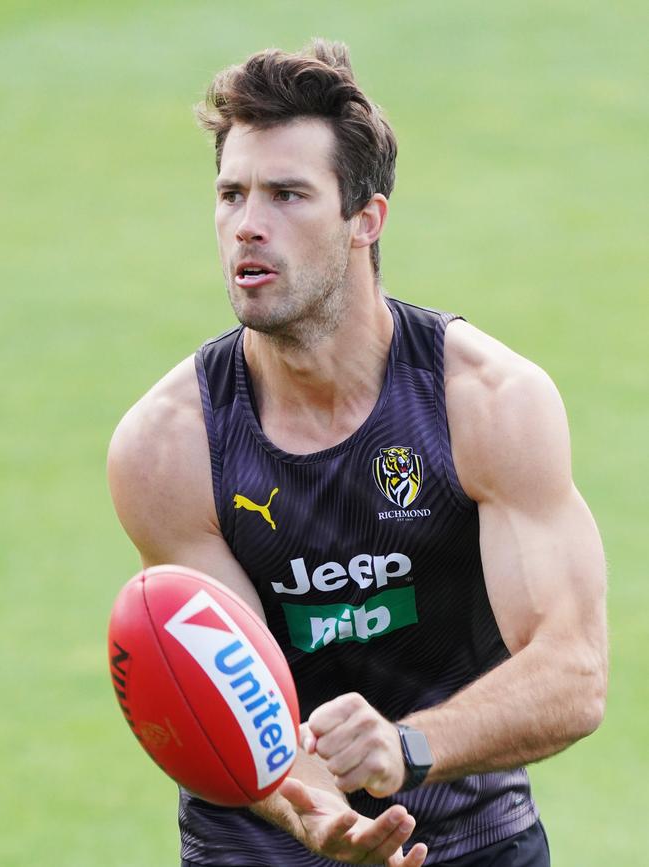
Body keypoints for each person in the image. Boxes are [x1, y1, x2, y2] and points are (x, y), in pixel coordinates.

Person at [108, 39, 607, 867]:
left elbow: (574, 671)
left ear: (365, 220)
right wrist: (324, 819)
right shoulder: (168, 446)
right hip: (262, 840)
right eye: (231, 194)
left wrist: (407, 746)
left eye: (288, 194)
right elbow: (227, 685)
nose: (248, 225)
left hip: (470, 835)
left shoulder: (486, 403)